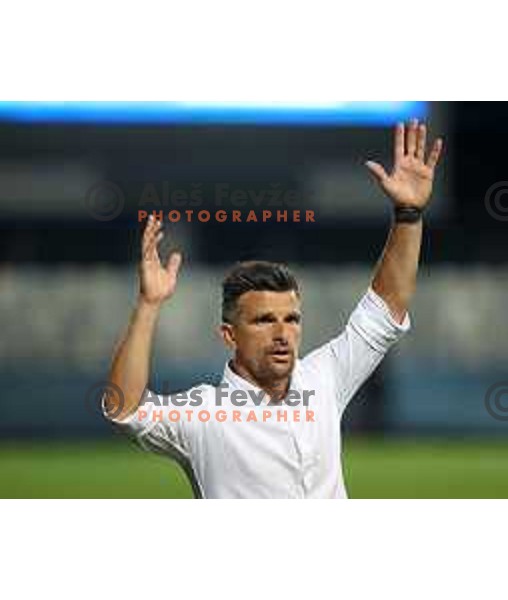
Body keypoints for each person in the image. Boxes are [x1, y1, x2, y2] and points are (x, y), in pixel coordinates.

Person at [103, 120, 444, 498]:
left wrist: (409, 215)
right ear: (229, 334)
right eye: (264, 320)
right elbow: (124, 409)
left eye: (291, 319)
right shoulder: (206, 413)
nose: (282, 333)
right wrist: (148, 305)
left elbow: (386, 307)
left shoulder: (323, 378)